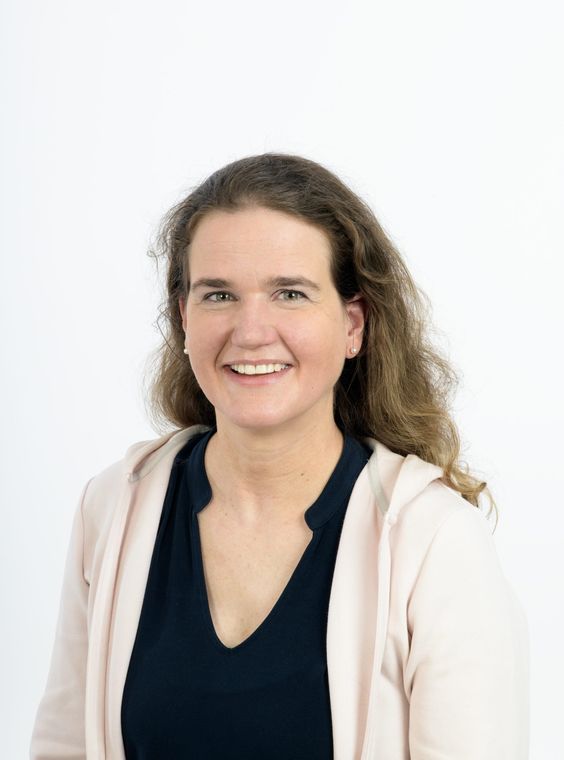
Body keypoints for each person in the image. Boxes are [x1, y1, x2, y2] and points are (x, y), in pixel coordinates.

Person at [30, 152, 529, 759]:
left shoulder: (434, 541)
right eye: (219, 295)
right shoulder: (113, 506)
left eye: (290, 293)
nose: (250, 331)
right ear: (184, 318)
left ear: (353, 325)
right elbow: (63, 746)